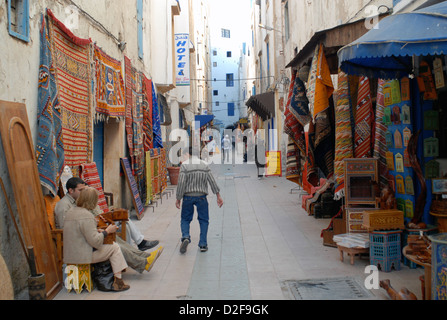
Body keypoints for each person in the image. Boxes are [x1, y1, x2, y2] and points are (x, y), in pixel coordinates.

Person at [55, 177, 163, 274]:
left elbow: (89, 218)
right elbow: (68, 229)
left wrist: (96, 229)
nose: (83, 192)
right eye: (81, 190)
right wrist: (102, 231)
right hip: (80, 245)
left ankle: (144, 257)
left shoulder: (78, 205)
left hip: (86, 236)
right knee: (113, 244)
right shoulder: (64, 206)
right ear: (70, 190)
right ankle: (142, 263)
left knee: (114, 237)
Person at [63, 187, 130, 291]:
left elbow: (80, 232)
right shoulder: (87, 215)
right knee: (115, 248)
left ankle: (117, 279)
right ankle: (118, 281)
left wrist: (97, 231)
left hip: (70, 253)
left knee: (112, 247)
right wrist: (107, 231)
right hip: (82, 256)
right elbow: (95, 242)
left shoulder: (71, 211)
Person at [175, 147, 224, 253]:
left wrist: (178, 198)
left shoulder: (184, 165)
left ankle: (186, 237)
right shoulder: (204, 165)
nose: (183, 158)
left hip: (187, 196)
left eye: (183, 155)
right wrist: (218, 195)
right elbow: (212, 181)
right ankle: (203, 244)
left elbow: (181, 183)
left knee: (185, 219)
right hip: (202, 196)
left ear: (188, 154)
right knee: (204, 220)